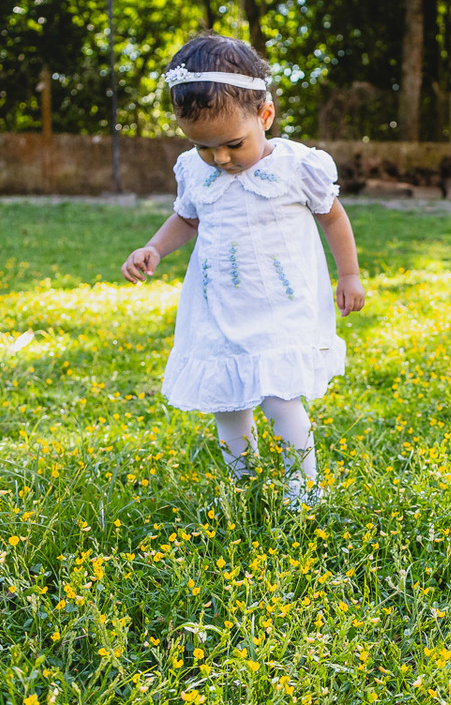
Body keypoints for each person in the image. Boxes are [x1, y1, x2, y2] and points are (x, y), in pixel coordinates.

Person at [122, 33, 365, 509]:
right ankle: (242, 477)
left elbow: (333, 217)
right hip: (219, 305)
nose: (221, 159)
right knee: (227, 400)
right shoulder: (195, 170)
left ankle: (304, 489)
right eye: (204, 147)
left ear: (265, 116)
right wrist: (153, 247)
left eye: (233, 144)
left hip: (281, 303)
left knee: (278, 397)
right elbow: (187, 217)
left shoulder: (297, 166)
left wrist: (349, 274)